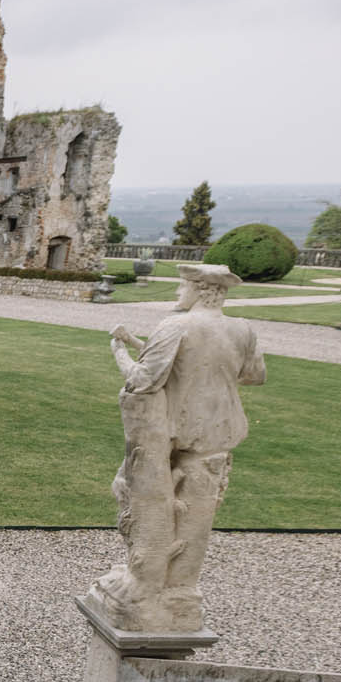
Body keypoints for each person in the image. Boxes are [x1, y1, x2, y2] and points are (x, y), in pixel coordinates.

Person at [92, 263, 266, 632]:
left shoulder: (177, 326)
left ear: (201, 289)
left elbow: (143, 379)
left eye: (182, 286)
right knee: (197, 517)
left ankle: (147, 587)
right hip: (219, 436)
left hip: (178, 433)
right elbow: (253, 375)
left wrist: (119, 350)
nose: (177, 293)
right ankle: (178, 592)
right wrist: (142, 344)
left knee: (147, 501)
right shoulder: (242, 329)